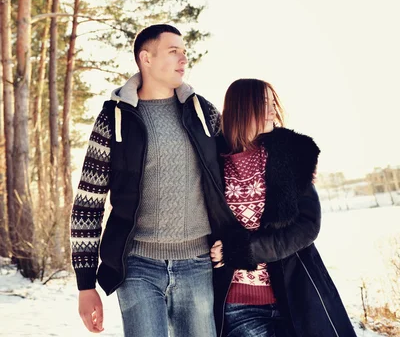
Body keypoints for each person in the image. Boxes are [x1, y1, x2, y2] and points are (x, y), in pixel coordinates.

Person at [71, 24, 226, 337]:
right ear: (147, 58)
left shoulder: (204, 114)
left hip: (198, 263)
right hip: (138, 266)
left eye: (184, 52)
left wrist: (232, 240)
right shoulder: (114, 118)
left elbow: (233, 176)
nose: (184, 58)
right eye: (174, 52)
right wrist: (86, 285)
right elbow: (89, 203)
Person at [210, 78, 357, 337]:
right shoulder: (210, 161)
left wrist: (241, 250)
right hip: (238, 304)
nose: (272, 111)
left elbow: (307, 226)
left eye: (272, 104)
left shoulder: (289, 155)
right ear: (243, 107)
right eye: (264, 104)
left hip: (296, 296)